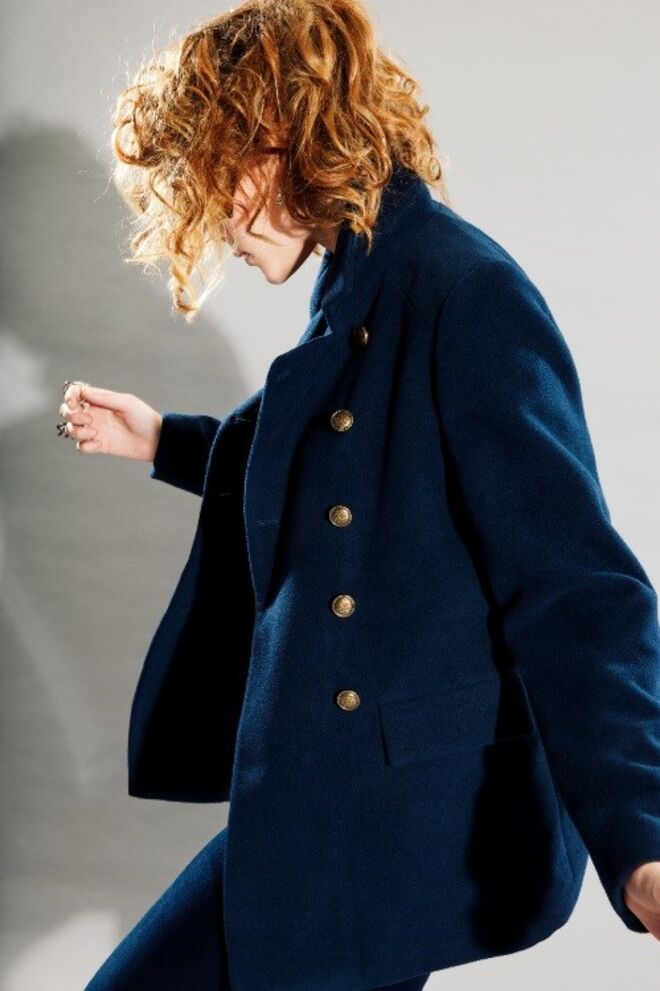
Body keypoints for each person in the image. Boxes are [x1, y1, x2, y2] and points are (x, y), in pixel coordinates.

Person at [59, 1, 660, 988]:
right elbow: (338, 461)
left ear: (274, 138)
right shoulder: (362, 278)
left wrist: (641, 836)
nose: (211, 225)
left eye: (212, 179)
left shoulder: (461, 289)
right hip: (326, 802)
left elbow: (575, 587)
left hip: (390, 827)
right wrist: (165, 439)